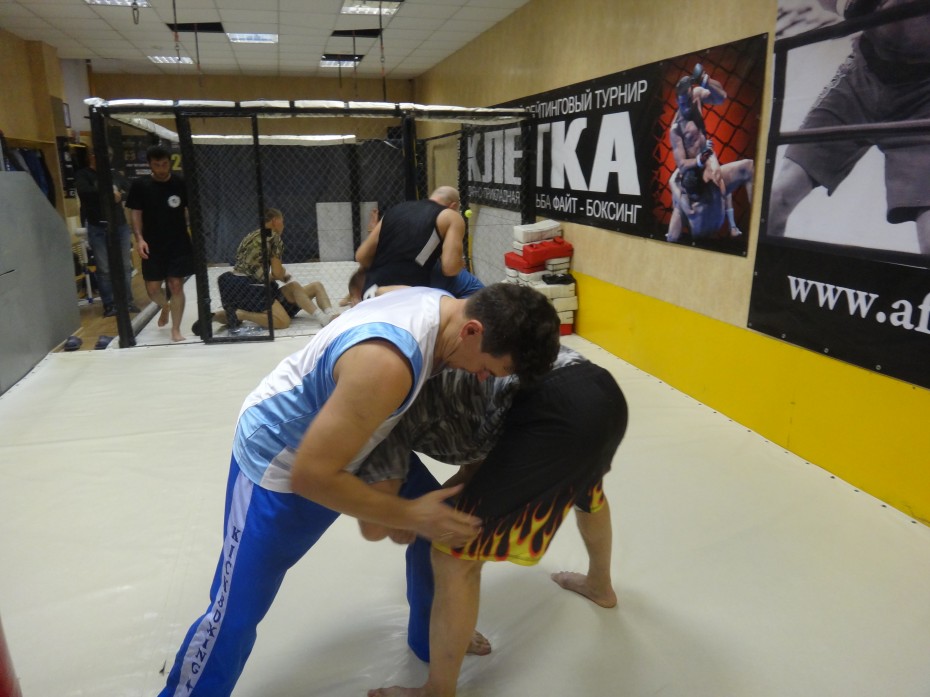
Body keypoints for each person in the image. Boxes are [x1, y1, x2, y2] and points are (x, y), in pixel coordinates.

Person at [156, 282, 561, 697]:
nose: (481, 378)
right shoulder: (385, 364)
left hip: (363, 436)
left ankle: (434, 636)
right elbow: (311, 476)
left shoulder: (443, 305)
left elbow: (380, 290)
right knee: (235, 614)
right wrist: (408, 514)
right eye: (488, 368)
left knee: (439, 532)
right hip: (281, 463)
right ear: (473, 330)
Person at [364, 346, 628, 697]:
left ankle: (437, 691)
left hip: (553, 413)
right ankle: (599, 585)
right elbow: (474, 467)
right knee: (585, 486)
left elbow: (470, 471)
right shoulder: (441, 356)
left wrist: (416, 517)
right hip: (600, 392)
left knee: (452, 556)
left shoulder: (407, 396)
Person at [767, 0, 930, 254]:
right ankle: (763, 274)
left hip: (923, 97)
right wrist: (852, 5)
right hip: (861, 77)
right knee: (777, 199)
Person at [194, 208, 336, 335]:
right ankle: (243, 314)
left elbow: (253, 269)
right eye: (282, 222)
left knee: (310, 286)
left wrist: (278, 276)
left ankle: (214, 316)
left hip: (231, 284)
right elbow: (277, 273)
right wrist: (281, 274)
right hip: (251, 286)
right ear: (275, 221)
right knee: (283, 321)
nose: (283, 226)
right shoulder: (273, 237)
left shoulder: (250, 236)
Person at [126, 145, 192, 342]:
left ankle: (176, 330)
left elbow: (190, 209)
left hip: (178, 242)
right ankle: (165, 306)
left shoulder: (181, 183)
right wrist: (139, 239)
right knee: (153, 289)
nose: (162, 169)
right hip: (152, 243)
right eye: (157, 165)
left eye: (165, 164)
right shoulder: (140, 185)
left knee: (176, 285)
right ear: (150, 165)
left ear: (169, 163)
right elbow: (136, 213)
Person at [355, 186, 466, 296]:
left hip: (372, 291)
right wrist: (459, 263)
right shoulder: (451, 216)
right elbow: (450, 268)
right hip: (408, 294)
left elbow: (361, 256)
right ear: (453, 206)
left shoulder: (396, 209)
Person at [74, 149, 140, 316]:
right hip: (97, 226)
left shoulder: (114, 174)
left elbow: (131, 190)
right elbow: (84, 192)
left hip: (119, 225)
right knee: (104, 268)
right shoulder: (83, 175)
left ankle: (128, 302)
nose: (107, 160)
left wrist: (120, 196)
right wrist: (109, 193)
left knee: (125, 266)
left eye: (109, 157)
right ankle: (110, 305)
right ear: (92, 157)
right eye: (104, 156)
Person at [666, 160, 754, 241]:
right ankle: (734, 227)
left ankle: (733, 227)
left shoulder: (688, 208)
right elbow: (749, 167)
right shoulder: (716, 184)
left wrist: (676, 175)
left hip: (699, 231)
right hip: (716, 218)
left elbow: (672, 181)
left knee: (677, 195)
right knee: (725, 184)